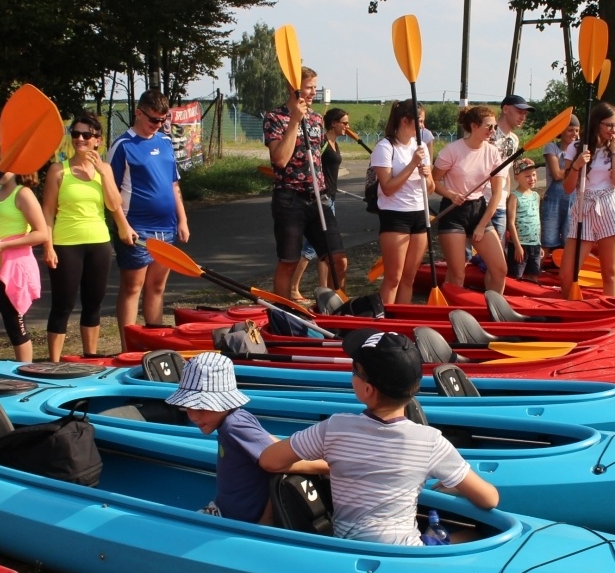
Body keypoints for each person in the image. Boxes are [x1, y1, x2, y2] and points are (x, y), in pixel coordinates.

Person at [258, 330, 499, 545]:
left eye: (354, 371)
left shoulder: (334, 428)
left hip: (348, 546)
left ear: (367, 390)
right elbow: (489, 499)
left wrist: (334, 464)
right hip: (406, 554)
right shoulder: (431, 441)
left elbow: (269, 460)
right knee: (476, 534)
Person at [167, 351, 328, 524]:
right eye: (188, 407)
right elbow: (271, 444)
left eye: (202, 407)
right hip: (225, 510)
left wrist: (327, 466)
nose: (193, 416)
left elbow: (275, 462)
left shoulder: (234, 426)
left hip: (235, 521)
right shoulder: (236, 419)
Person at [41, 112, 133, 361]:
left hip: (99, 242)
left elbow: (114, 205)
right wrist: (47, 245)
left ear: (97, 141)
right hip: (66, 243)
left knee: (94, 304)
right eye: (75, 134)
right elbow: (47, 212)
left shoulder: (104, 170)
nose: (79, 139)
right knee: (63, 304)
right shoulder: (58, 171)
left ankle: (90, 356)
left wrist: (103, 174)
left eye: (86, 135)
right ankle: (54, 363)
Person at [109, 90, 190, 344]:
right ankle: (129, 345)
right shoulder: (123, 145)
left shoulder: (165, 142)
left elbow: (174, 184)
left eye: (163, 120)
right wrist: (122, 226)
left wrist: (183, 220)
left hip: (166, 227)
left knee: (157, 287)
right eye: (153, 120)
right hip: (137, 228)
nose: (158, 125)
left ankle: (154, 341)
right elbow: (110, 193)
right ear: (138, 113)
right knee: (133, 287)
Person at [265, 66, 347, 301]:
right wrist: (294, 121)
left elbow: (318, 157)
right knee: (289, 262)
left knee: (338, 259)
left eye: (315, 87)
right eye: (309, 87)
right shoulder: (275, 118)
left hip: (319, 198)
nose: (314, 92)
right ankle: (283, 313)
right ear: (295, 88)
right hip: (289, 199)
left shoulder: (317, 118)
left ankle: (334, 308)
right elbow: (280, 159)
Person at [0, 146, 49, 363]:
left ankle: (26, 375)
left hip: (13, 270)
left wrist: (5, 246)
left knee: (15, 327)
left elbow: (41, 233)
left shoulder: (23, 194)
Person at [433, 105, 508, 292]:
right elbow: (432, 181)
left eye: (495, 127)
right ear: (474, 126)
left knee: (500, 269)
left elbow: (497, 193)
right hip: (453, 211)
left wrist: (482, 225)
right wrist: (450, 194)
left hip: (479, 210)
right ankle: (450, 314)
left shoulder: (492, 152)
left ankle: (493, 311)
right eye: (489, 127)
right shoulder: (451, 151)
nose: (493, 131)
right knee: (458, 274)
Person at [369, 100, 434, 306]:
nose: (423, 126)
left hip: (419, 214)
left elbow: (430, 188)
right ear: (405, 121)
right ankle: (384, 322)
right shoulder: (385, 147)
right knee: (393, 278)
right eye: (420, 121)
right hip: (395, 214)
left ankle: (401, 320)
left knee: (409, 278)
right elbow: (387, 187)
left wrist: (428, 175)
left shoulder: (421, 147)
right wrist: (412, 165)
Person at [563, 102, 615, 299]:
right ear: (597, 124)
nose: (613, 130)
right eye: (609, 125)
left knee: (609, 273)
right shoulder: (576, 147)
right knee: (567, 274)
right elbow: (567, 188)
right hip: (584, 205)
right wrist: (576, 165)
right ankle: (573, 309)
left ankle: (610, 313)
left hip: (609, 205)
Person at [288, 107, 353, 299]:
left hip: (330, 197)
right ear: (334, 123)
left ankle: (324, 289)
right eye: (345, 123)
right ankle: (293, 287)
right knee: (310, 248)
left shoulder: (334, 143)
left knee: (327, 250)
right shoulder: (322, 141)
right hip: (319, 198)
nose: (347, 127)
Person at [488, 94, 532, 242]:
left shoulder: (514, 139)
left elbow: (506, 167)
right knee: (469, 254)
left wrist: (523, 165)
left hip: (499, 202)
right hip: (479, 201)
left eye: (525, 114)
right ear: (506, 109)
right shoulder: (488, 133)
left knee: (498, 251)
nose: (523, 117)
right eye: (519, 112)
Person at [540, 117, 580, 256]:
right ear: (561, 131)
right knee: (548, 240)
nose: (574, 134)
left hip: (574, 200)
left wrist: (571, 170)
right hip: (553, 200)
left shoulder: (580, 150)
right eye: (570, 130)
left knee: (570, 240)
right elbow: (556, 174)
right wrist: (575, 168)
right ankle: (537, 272)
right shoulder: (552, 147)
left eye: (576, 130)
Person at [506, 157, 543, 281]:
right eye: (527, 176)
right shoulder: (514, 197)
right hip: (520, 245)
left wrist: (539, 243)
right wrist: (517, 246)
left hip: (535, 244)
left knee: (534, 274)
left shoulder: (536, 196)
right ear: (517, 177)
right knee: (517, 275)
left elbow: (537, 221)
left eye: (533, 175)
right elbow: (511, 223)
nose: (532, 179)